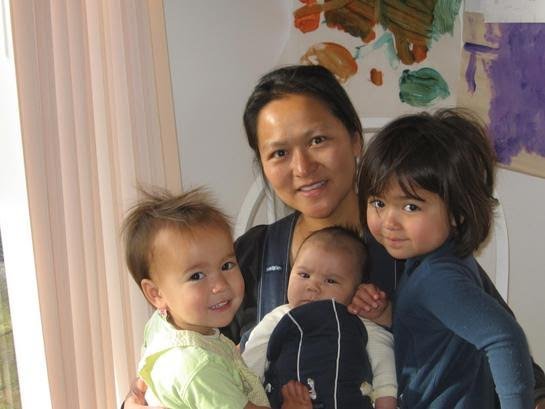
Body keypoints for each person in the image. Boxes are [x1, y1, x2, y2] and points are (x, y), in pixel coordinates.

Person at [122, 65, 545, 408]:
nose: (302, 167)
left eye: (318, 140)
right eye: (279, 153)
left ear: (356, 140)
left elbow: (516, 365)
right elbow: (186, 364)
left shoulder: (417, 247)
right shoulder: (244, 258)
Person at [359, 108, 534, 408]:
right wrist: (389, 315)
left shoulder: (438, 278)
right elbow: (437, 332)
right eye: (378, 202)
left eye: (410, 207)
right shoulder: (434, 261)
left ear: (456, 213)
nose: (389, 221)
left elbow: (505, 339)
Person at [122, 188, 271, 408]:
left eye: (226, 265)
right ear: (156, 294)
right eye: (196, 276)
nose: (220, 285)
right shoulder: (200, 368)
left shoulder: (161, 323)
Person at [242, 226, 397, 409]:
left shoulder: (359, 323)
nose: (312, 287)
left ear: (357, 289)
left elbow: (384, 364)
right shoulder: (279, 318)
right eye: (304, 275)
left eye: (330, 281)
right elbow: (250, 365)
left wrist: (385, 401)